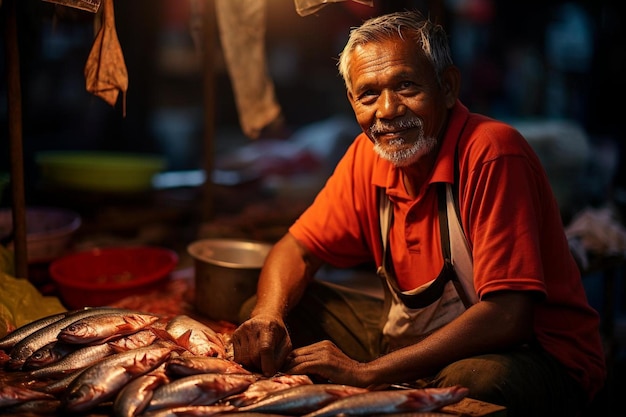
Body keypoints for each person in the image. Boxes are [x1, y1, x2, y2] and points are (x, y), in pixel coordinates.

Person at [231, 10, 606, 417]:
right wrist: (269, 316)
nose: (388, 110)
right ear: (352, 102)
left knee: (475, 380)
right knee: (265, 318)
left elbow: (508, 316)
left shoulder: (492, 152)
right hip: (414, 340)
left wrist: (366, 373)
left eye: (406, 86)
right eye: (369, 95)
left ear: (447, 87)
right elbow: (298, 250)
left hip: (534, 355)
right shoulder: (366, 157)